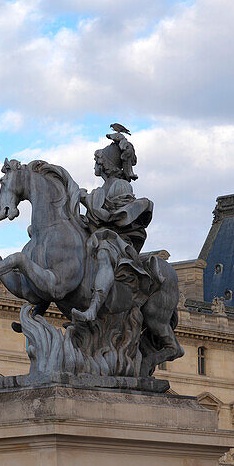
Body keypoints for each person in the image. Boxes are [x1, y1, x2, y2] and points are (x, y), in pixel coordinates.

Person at [73, 129, 154, 323]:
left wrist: (86, 200)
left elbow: (112, 217)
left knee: (103, 254)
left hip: (117, 240)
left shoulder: (120, 186)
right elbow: (96, 218)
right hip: (100, 235)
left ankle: (93, 308)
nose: (95, 165)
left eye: (98, 162)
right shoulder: (102, 189)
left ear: (106, 165)